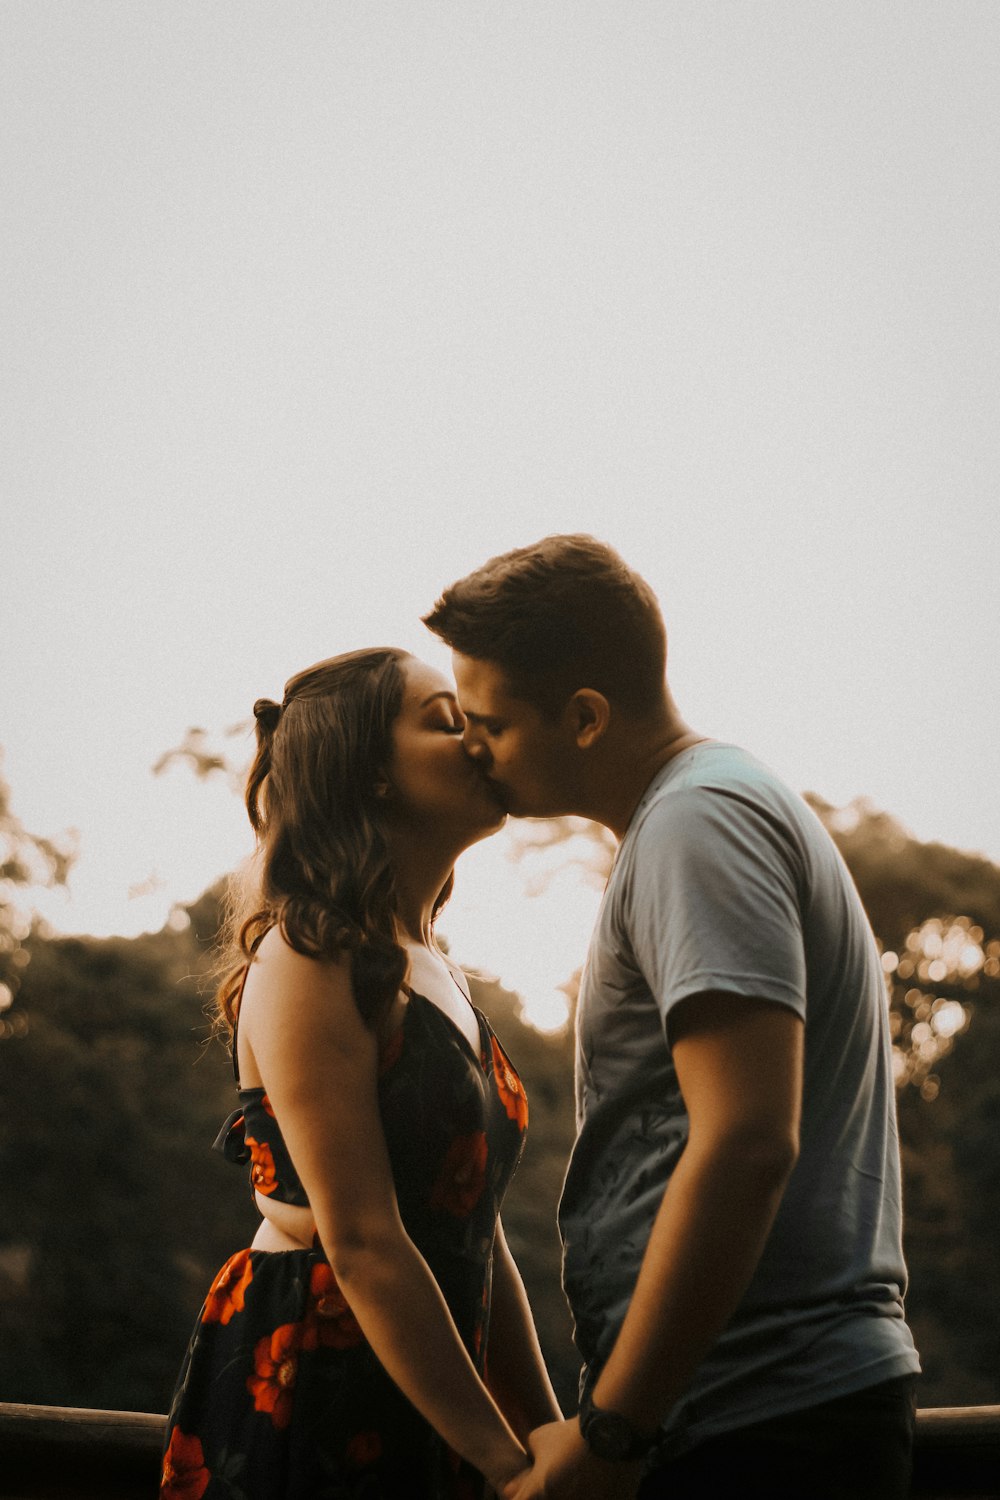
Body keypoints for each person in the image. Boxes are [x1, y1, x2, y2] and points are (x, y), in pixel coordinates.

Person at [423, 536, 921, 1500]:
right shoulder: (694, 815)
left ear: (583, 718)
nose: (473, 747)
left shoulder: (699, 824)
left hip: (767, 1424)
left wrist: (613, 1432)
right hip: (751, 1410)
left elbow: (745, 1142)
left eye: (490, 722)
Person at [159, 647, 562, 1500]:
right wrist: (508, 1465)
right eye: (445, 720)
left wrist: (545, 1438)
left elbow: (475, 1233)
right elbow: (364, 1243)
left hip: (432, 1390)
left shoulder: (433, 968)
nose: (479, 736)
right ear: (370, 774)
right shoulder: (311, 956)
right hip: (321, 1381)